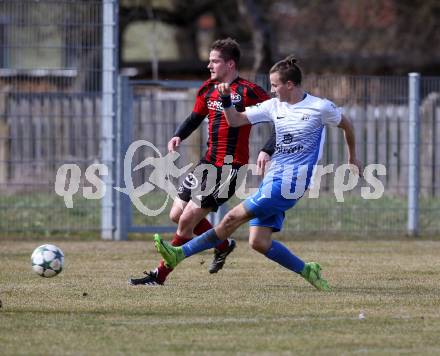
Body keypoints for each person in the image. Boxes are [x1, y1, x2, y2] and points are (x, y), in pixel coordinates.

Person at [153, 55, 363, 291]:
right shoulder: (274, 106)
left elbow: (347, 124)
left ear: (290, 85)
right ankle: (308, 270)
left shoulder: (319, 107)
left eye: (275, 86)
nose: (272, 91)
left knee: (231, 218)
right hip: (273, 178)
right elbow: (235, 121)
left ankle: (179, 253)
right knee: (259, 242)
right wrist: (226, 100)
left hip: (291, 183)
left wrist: (352, 156)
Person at [130, 38, 272, 285]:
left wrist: (267, 149)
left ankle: (159, 275)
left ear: (229, 64)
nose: (209, 65)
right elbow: (195, 117)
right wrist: (178, 135)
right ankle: (223, 244)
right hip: (208, 163)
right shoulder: (207, 89)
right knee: (177, 214)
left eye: (214, 61)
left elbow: (279, 118)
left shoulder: (248, 91)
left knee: (187, 221)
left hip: (230, 167)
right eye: (209, 60)